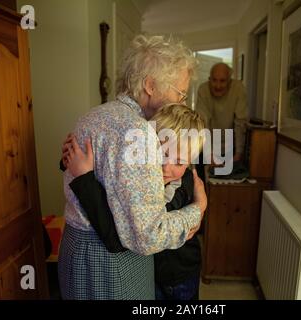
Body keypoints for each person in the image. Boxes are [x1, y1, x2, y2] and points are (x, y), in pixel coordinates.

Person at [58, 35, 207, 300]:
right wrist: (198, 210)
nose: (182, 102)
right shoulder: (139, 132)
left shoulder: (92, 115)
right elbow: (148, 235)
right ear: (150, 85)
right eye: (180, 93)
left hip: (75, 248)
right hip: (107, 263)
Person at [195, 62, 249, 164]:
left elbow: (240, 122)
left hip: (231, 147)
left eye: (222, 81)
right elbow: (202, 122)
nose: (218, 86)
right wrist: (208, 153)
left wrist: (238, 153)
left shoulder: (238, 89)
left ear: (229, 81)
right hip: (207, 145)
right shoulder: (203, 90)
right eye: (214, 80)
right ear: (209, 79)